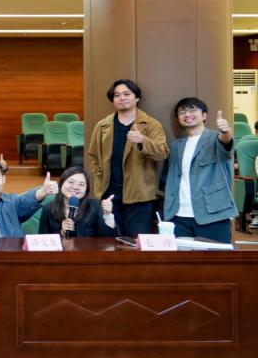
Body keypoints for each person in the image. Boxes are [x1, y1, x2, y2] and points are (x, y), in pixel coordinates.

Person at [86, 79, 169, 235]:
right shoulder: (103, 125)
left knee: (136, 240)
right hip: (109, 195)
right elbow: (93, 155)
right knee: (109, 239)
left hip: (140, 196)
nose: (122, 98)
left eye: (126, 94)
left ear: (137, 97)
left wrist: (143, 140)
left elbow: (162, 152)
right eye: (117, 95)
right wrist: (98, 178)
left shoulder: (151, 124)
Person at [163, 98, 235, 243]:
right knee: (181, 257)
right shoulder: (175, 146)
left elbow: (226, 142)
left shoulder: (215, 138)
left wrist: (225, 131)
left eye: (192, 110)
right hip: (178, 216)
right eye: (182, 112)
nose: (187, 114)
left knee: (215, 257)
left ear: (204, 115)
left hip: (212, 214)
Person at [39, 166, 116, 237]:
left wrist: (108, 215)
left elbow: (108, 239)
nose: (75, 187)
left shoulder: (94, 206)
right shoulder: (48, 208)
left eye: (81, 184)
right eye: (71, 182)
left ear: (86, 189)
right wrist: (62, 232)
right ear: (61, 183)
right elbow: (42, 240)